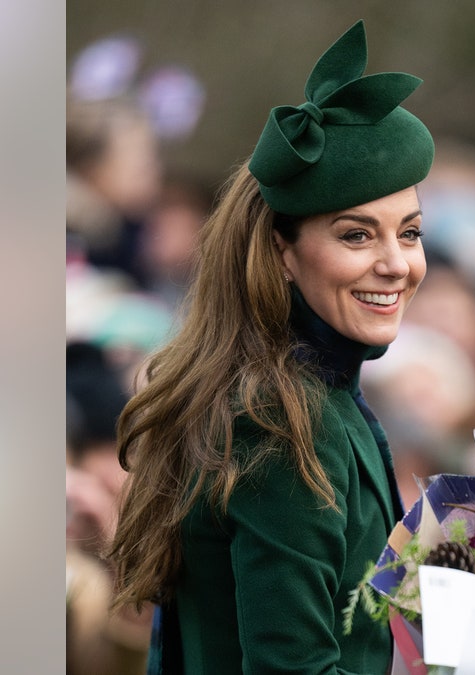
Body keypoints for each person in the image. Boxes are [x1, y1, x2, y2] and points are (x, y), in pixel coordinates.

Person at [107, 21, 434, 674]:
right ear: (281, 251)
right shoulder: (284, 422)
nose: (397, 264)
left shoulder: (304, 395)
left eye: (411, 232)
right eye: (357, 236)